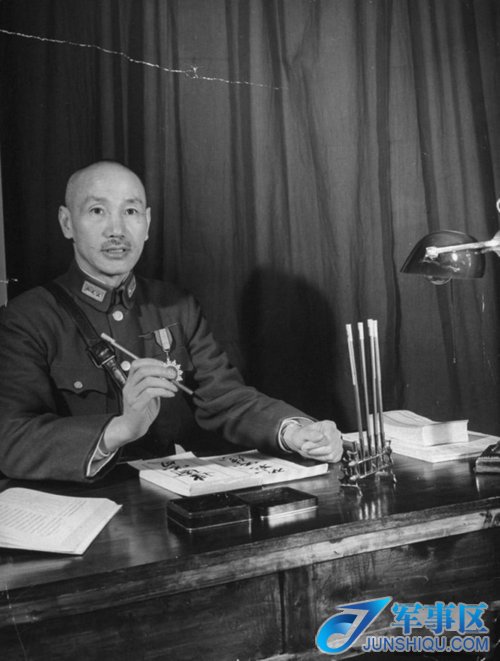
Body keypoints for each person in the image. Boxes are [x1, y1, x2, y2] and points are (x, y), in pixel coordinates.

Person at [0, 161, 343, 483]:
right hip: (82, 504)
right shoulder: (27, 318)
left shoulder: (176, 306)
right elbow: (10, 438)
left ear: (147, 223)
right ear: (66, 223)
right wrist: (121, 429)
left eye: (130, 211)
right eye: (97, 211)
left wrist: (296, 432)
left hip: (166, 498)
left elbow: (224, 397)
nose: (116, 230)